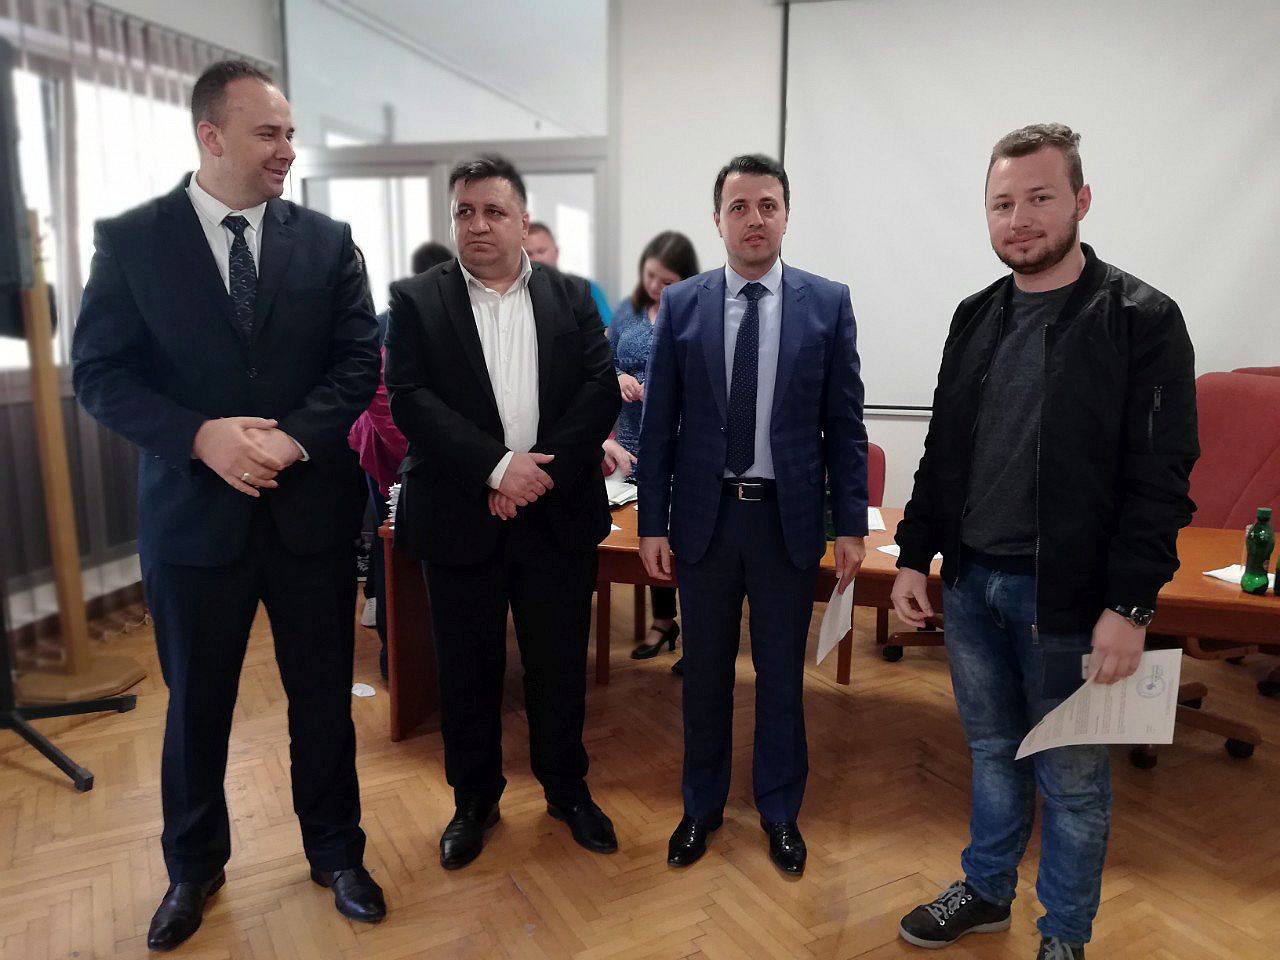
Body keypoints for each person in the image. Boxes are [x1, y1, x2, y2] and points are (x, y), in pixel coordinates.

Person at [71, 60, 386, 950]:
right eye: (268, 134)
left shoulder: (327, 242)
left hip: (308, 514)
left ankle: (336, 851)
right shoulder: (132, 241)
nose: (287, 150)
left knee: (322, 698)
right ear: (211, 135)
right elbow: (99, 373)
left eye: (290, 134)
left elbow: (357, 363)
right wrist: (200, 436)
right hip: (191, 518)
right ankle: (193, 869)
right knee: (196, 705)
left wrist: (293, 439)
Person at [890, 124, 1198, 960]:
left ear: (1081, 201)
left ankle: (1064, 935)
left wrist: (1130, 606)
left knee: (1072, 780)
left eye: (1039, 198)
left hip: (1068, 596)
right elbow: (943, 453)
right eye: (1002, 203)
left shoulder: (1142, 320)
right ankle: (988, 891)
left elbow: (1161, 480)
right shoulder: (975, 315)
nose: (1018, 218)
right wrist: (915, 555)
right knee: (993, 753)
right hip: (972, 586)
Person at [385, 155, 622, 870]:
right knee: (466, 670)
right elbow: (410, 400)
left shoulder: (571, 297)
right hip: (459, 515)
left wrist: (532, 475)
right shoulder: (416, 300)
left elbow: (598, 391)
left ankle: (567, 789)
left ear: (523, 221)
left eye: (493, 211)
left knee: (558, 664)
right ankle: (474, 801)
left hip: (554, 515)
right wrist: (495, 468)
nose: (478, 224)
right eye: (465, 211)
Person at [637, 154, 868, 877]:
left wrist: (850, 524)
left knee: (779, 676)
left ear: (786, 215)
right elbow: (659, 425)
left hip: (785, 522)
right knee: (704, 673)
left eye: (768, 205)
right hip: (703, 523)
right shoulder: (683, 305)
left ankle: (779, 809)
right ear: (718, 220)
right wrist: (651, 523)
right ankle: (700, 806)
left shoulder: (826, 303)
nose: (754, 219)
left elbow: (845, 426)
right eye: (739, 207)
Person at [352, 239, 454, 677]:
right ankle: (395, 661)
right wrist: (431, 459)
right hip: (390, 455)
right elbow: (383, 405)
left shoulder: (447, 319)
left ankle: (433, 654)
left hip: (436, 458)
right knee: (393, 546)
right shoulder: (389, 324)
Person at [608, 231, 699, 666]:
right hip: (632, 441)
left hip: (685, 444)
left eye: (666, 280)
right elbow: (602, 363)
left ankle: (699, 635)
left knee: (689, 540)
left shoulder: (697, 311)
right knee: (648, 532)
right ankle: (664, 622)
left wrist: (666, 391)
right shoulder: (627, 311)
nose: (655, 286)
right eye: (649, 276)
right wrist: (619, 378)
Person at [523, 220, 613, 326]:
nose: (536, 259)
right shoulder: (518, 292)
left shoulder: (585, 289)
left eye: (541, 251)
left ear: (556, 252)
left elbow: (608, 329)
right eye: (528, 253)